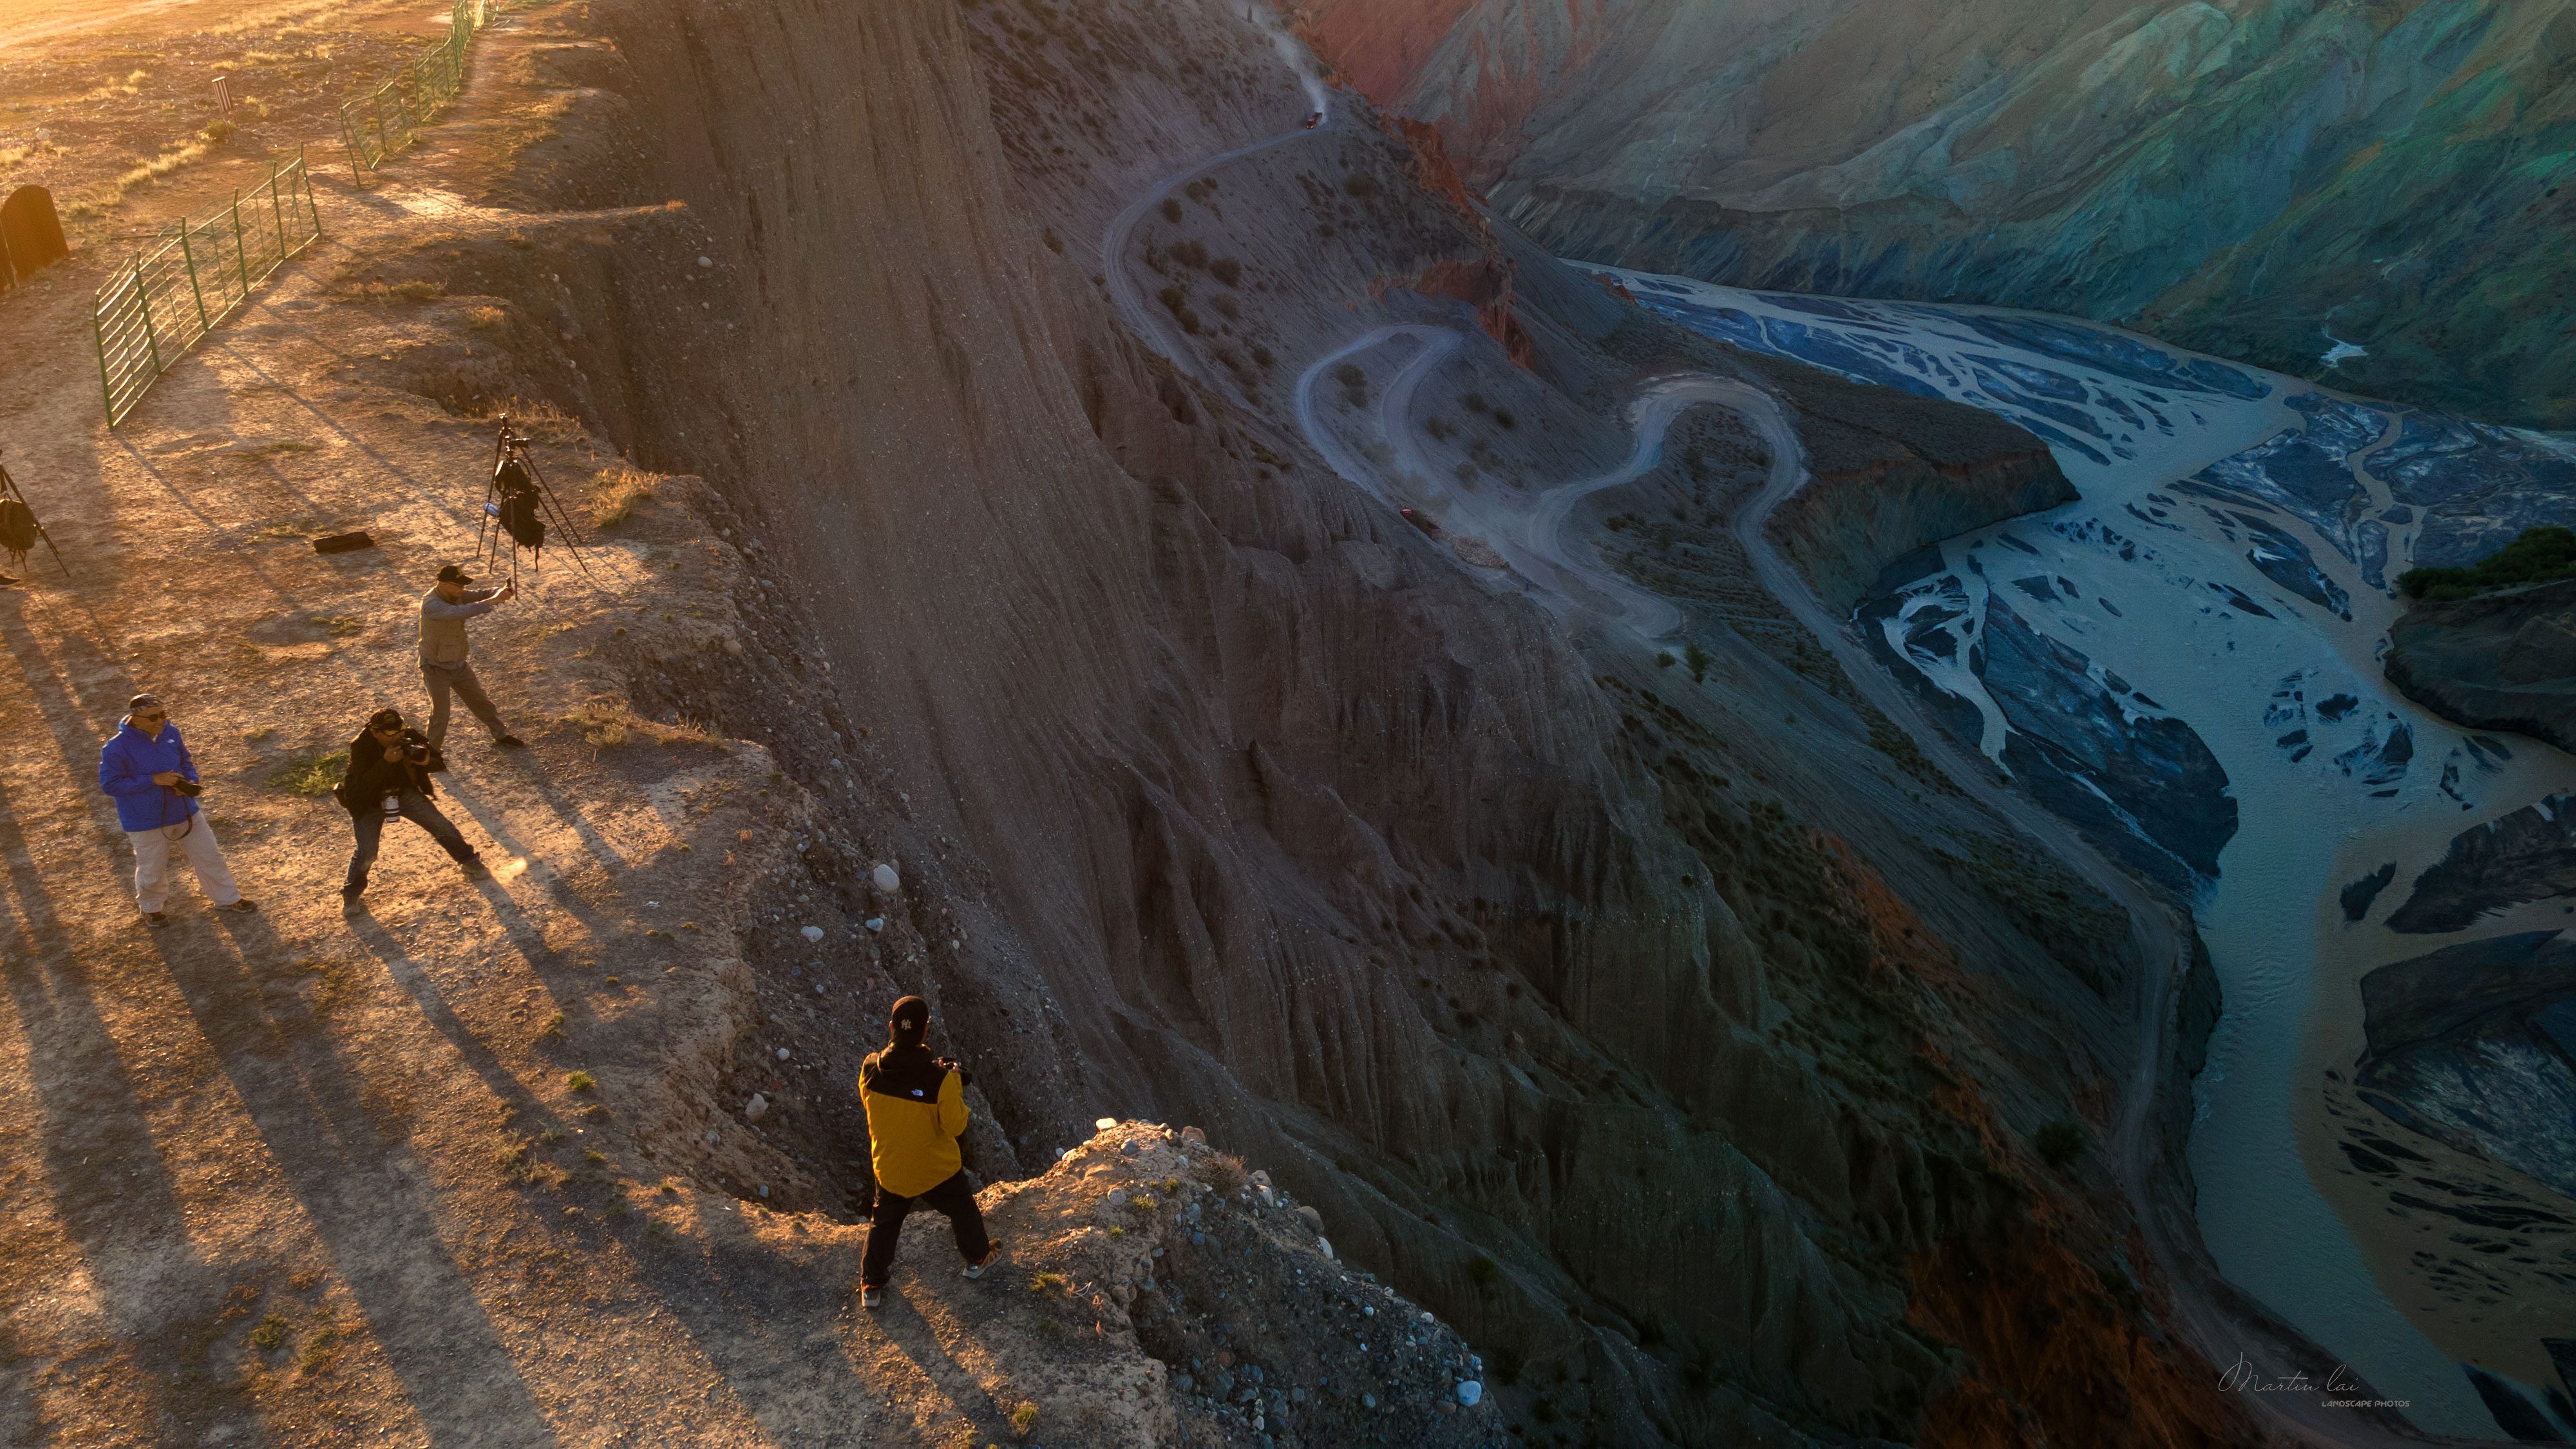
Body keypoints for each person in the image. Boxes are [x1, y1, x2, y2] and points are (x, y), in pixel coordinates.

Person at [858, 996, 998, 1307]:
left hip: (891, 1167)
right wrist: (953, 1081)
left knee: (884, 1222)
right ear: (925, 1031)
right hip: (936, 1170)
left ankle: (871, 1284)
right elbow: (956, 1126)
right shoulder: (941, 1081)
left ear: (891, 1027)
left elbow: (873, 1101)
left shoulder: (869, 1069)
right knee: (963, 1209)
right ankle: (978, 1259)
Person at [96, 693, 256, 925]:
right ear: (136, 720)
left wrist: (189, 782)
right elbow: (110, 785)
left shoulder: (171, 733)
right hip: (145, 820)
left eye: (163, 714)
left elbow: (185, 762)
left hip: (185, 811)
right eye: (153, 717)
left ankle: (227, 899)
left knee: (210, 857)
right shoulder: (116, 748)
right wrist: (153, 780)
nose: (161, 720)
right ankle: (151, 909)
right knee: (152, 868)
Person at [337, 707, 491, 906]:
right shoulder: (361, 747)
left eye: (400, 730)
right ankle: (351, 894)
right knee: (367, 853)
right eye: (391, 733)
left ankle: (469, 861)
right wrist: (385, 762)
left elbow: (439, 763)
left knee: (440, 825)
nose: (398, 736)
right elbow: (361, 786)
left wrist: (426, 762)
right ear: (375, 732)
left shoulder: (408, 736)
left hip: (403, 793)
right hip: (368, 803)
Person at [419, 564, 526, 756]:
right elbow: (462, 612)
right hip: (436, 668)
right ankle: (432, 754)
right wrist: (494, 601)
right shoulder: (432, 605)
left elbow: (481, 594)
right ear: (444, 584)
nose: (463, 590)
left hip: (459, 664)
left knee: (481, 702)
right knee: (441, 715)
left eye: (464, 586)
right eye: (459, 586)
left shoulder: (454, 594)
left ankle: (500, 735)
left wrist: (500, 591)